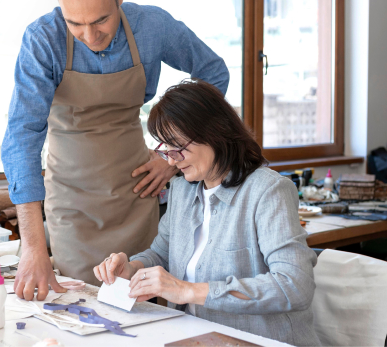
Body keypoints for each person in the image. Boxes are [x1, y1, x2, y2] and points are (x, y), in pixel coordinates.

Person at [1, 0, 230, 300]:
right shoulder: (42, 40)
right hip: (71, 204)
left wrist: (171, 158)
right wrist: (33, 247)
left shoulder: (152, 26)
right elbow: (21, 138)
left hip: (137, 194)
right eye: (75, 24)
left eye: (101, 20)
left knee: (146, 304)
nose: (90, 35)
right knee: (81, 306)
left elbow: (214, 74)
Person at [94, 80, 321, 346]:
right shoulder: (182, 191)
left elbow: (294, 286)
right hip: (195, 337)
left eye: (177, 147)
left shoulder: (268, 191)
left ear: (215, 132)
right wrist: (132, 268)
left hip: (262, 340)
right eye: (165, 149)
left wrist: (188, 291)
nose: (170, 160)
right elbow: (162, 253)